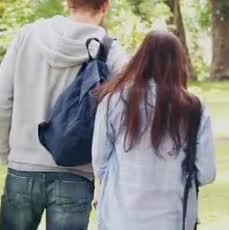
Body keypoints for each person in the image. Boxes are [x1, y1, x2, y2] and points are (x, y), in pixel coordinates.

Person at [0, 0, 127, 230]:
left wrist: (8, 153)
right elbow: (124, 116)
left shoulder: (27, 36)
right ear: (106, 5)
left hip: (23, 166)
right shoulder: (112, 53)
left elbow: (0, 102)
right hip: (76, 171)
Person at [92, 30, 216, 230]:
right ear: (179, 62)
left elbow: (100, 164)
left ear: (140, 60)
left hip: (120, 218)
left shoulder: (113, 101)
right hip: (173, 218)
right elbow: (206, 172)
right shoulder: (193, 107)